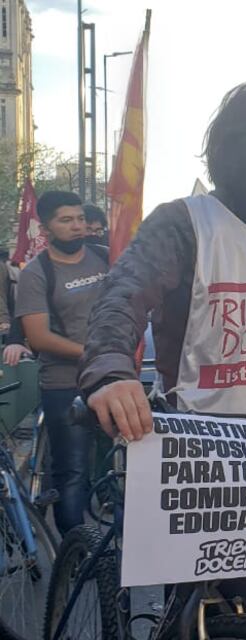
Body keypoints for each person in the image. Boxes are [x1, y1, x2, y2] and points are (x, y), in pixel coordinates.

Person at [77, 78, 246, 640]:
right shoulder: (184, 222)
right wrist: (111, 372)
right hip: (200, 466)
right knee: (209, 622)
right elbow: (122, 295)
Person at [15, 190, 110, 535]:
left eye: (81, 219)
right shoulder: (36, 273)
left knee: (123, 474)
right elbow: (38, 338)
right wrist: (92, 352)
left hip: (113, 378)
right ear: (47, 227)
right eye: (66, 220)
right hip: (65, 385)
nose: (77, 226)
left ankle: (119, 559)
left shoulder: (106, 258)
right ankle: (76, 559)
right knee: (72, 473)